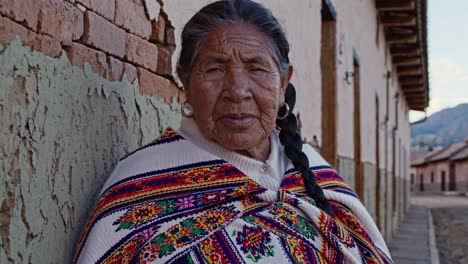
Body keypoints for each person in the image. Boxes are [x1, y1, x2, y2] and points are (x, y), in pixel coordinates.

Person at [73, 0, 392, 263]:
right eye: (214, 69)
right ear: (185, 81)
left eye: (256, 68)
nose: (237, 90)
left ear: (283, 83)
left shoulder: (315, 171)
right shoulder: (140, 185)